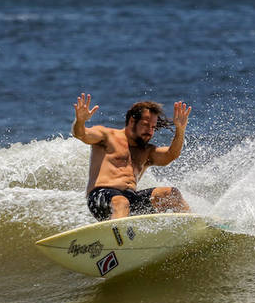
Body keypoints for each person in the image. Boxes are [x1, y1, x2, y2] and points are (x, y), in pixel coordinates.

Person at [71, 93, 192, 221]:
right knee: (121, 202)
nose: (150, 131)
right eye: (146, 125)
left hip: (130, 199)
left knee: (171, 194)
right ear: (132, 121)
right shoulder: (107, 136)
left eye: (153, 127)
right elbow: (81, 134)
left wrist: (180, 129)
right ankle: (118, 236)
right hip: (100, 197)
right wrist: (80, 121)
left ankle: (195, 228)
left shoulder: (147, 151)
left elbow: (171, 155)